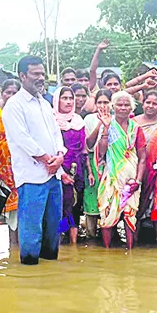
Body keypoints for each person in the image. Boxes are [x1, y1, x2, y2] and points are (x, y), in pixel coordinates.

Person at [2, 56, 67, 265]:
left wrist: (60, 155)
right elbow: (22, 139)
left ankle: (49, 273)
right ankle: (29, 273)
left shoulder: (45, 104)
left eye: (42, 74)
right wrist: (47, 159)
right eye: (36, 74)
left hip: (54, 174)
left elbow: (56, 133)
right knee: (31, 229)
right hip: (32, 176)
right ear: (23, 76)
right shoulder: (14, 105)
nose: (41, 78)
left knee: (53, 228)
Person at [96, 91, 147, 249]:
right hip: (111, 177)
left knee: (130, 215)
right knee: (107, 215)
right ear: (113, 106)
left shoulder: (136, 128)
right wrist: (105, 128)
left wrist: (138, 180)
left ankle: (130, 250)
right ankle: (106, 251)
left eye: (126, 105)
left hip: (131, 179)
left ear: (132, 108)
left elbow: (142, 158)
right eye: (119, 105)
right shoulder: (108, 125)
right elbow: (101, 152)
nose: (123, 108)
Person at [53, 86, 90, 244]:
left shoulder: (79, 121)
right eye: (64, 98)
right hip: (58, 168)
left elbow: (83, 148)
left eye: (70, 98)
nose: (68, 102)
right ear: (57, 100)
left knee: (76, 204)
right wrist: (61, 172)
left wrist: (88, 171)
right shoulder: (51, 120)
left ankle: (73, 243)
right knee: (62, 204)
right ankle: (60, 237)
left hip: (78, 168)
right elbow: (51, 148)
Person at [0, 79, 21, 243]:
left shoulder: (22, 110)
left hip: (18, 168)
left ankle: (14, 249)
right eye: (8, 92)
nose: (11, 96)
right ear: (1, 92)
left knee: (16, 214)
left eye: (15, 93)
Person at [133, 90, 157, 242]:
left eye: (155, 104)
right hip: (137, 169)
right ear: (143, 103)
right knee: (136, 204)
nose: (151, 106)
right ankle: (133, 238)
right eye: (148, 102)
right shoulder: (133, 122)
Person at [83, 89, 113, 238]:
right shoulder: (89, 119)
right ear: (95, 104)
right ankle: (91, 236)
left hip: (110, 164)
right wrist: (100, 125)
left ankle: (108, 237)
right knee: (91, 199)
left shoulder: (117, 119)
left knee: (108, 199)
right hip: (92, 165)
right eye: (99, 102)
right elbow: (88, 144)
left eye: (106, 102)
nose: (103, 106)